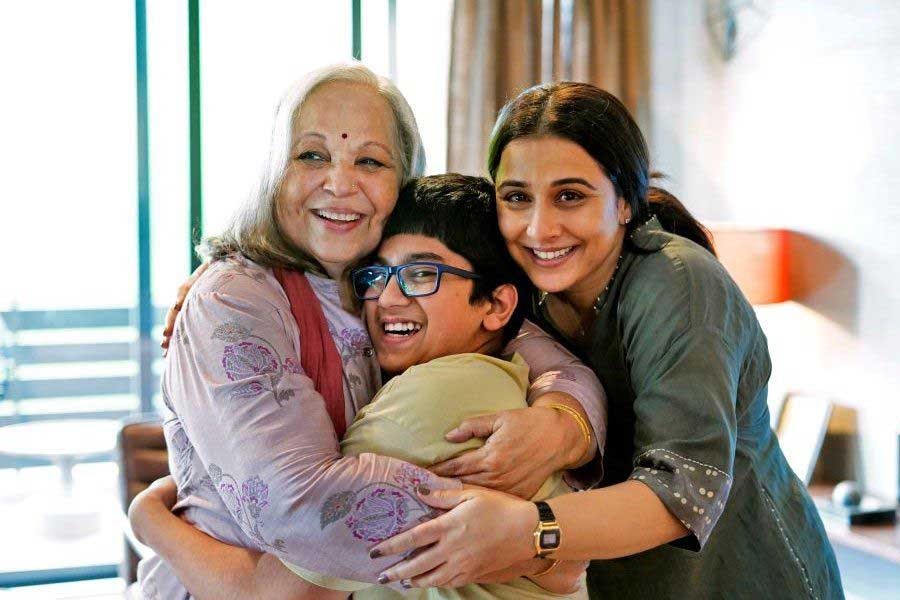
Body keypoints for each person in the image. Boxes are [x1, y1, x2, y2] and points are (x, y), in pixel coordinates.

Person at [131, 65, 606, 600]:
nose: (339, 184)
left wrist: (563, 425)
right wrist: (540, 540)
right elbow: (298, 507)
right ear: (275, 171)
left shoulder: (375, 287)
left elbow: (543, 353)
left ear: (402, 185)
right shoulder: (236, 298)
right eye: (311, 155)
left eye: (370, 161)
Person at [365, 83, 845, 599]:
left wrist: (530, 528)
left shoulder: (679, 286)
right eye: (517, 198)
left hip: (742, 576)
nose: (538, 228)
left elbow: (685, 492)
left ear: (623, 203)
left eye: (569, 196)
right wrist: (561, 417)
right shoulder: (527, 287)